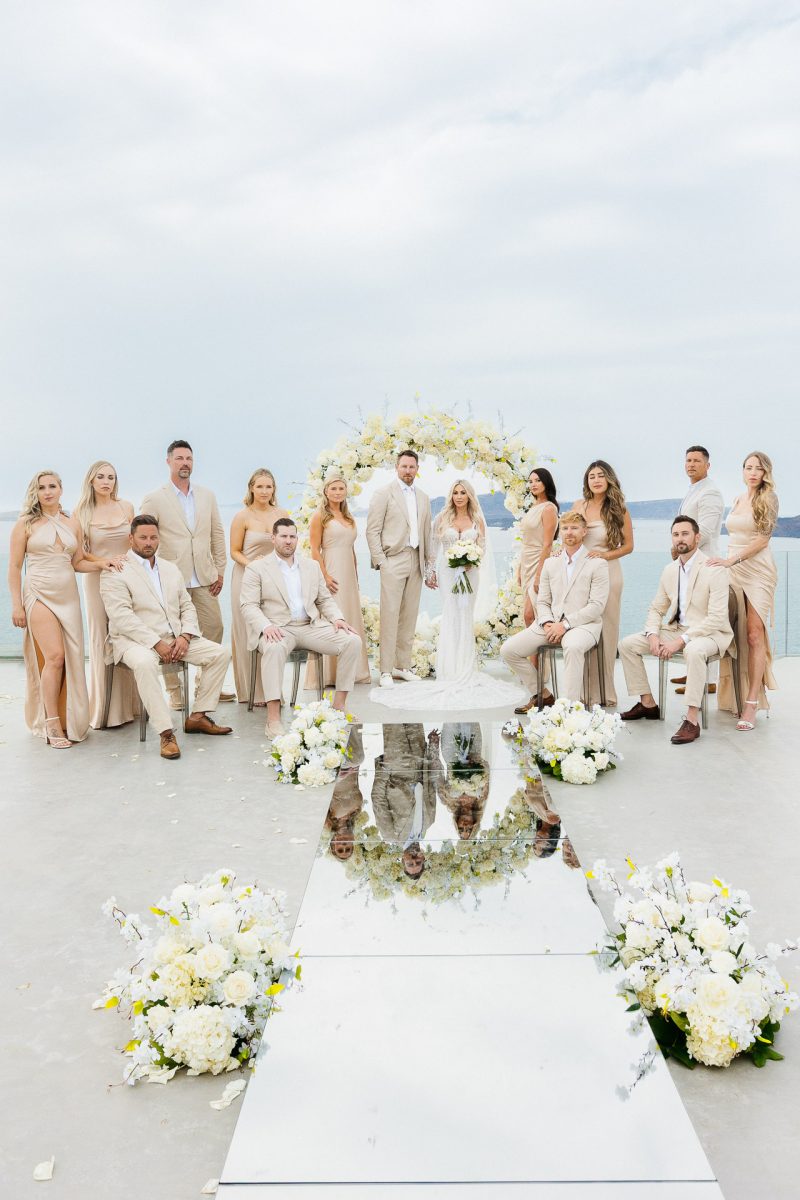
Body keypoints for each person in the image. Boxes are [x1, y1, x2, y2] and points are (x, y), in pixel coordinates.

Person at [369, 479, 525, 711]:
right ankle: (449, 669)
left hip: (470, 573)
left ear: (469, 496)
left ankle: (465, 668)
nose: (459, 496)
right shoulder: (442, 518)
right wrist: (430, 572)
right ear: (451, 495)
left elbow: (482, 546)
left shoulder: (477, 519)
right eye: (455, 493)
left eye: (463, 493)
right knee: (451, 614)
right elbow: (433, 547)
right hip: (448, 572)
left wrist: (473, 560)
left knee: (465, 616)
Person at [100, 515, 233, 760]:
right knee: (145, 663)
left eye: (153, 537)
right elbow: (121, 617)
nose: (148, 542)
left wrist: (185, 635)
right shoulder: (115, 571)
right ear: (131, 539)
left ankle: (198, 716)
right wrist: (156, 643)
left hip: (175, 638)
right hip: (134, 642)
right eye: (142, 537)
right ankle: (166, 733)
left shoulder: (170, 569)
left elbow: (187, 606)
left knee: (221, 653)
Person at [8, 470, 118, 747]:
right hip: (38, 593)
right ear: (35, 492)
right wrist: (17, 605)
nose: (47, 492)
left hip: (68, 597)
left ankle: (71, 719)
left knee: (72, 657)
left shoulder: (73, 523)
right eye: (42, 487)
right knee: (55, 657)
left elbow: (78, 562)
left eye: (52, 486)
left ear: (61, 489)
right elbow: (14, 567)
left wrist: (101, 563)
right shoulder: (24, 524)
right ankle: (52, 722)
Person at [239, 517, 362, 738]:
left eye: (292, 536)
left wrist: (337, 618)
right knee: (274, 648)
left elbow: (324, 599)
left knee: (352, 641)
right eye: (283, 536)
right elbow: (248, 605)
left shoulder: (311, 566)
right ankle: (273, 719)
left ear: (297, 539)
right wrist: (266, 626)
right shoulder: (256, 568)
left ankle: (339, 707)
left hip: (310, 626)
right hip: (278, 628)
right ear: (273, 538)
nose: (288, 541)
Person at [618, 515, 733, 745]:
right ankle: (648, 704)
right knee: (627, 645)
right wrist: (652, 634)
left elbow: (717, 618)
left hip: (710, 633)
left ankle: (691, 719)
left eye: (685, 534)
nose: (680, 539)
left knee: (693, 650)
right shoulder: (669, 570)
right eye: (676, 534)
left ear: (697, 537)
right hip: (676, 628)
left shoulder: (714, 569)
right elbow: (656, 608)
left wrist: (680, 641)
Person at [140, 440, 232, 704]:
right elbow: (145, 536)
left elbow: (217, 533)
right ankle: (175, 692)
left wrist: (220, 570)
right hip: (169, 578)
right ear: (168, 461)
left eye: (189, 458)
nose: (185, 463)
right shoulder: (154, 498)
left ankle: (206, 687)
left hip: (204, 576)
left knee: (214, 626)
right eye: (179, 458)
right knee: (169, 634)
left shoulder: (207, 496)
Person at [500, 511, 609, 706]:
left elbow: (596, 606)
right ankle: (542, 693)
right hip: (550, 624)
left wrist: (564, 625)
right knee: (509, 650)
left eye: (574, 528)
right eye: (565, 528)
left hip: (584, 625)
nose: (569, 532)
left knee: (573, 647)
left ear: (584, 531)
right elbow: (542, 601)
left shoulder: (598, 564)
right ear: (560, 533)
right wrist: (548, 623)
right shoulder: (550, 563)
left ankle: (569, 709)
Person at [710, 451, 779, 730]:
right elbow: (733, 537)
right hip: (733, 568)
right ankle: (733, 694)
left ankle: (751, 704)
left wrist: (731, 561)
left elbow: (763, 540)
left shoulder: (769, 498)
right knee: (733, 632)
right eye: (748, 468)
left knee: (753, 634)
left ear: (765, 473)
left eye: (758, 468)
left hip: (758, 571)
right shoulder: (738, 499)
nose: (752, 473)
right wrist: (723, 563)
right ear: (742, 471)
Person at [74, 460, 138, 729]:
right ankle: (104, 711)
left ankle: (132, 706)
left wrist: (128, 562)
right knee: (102, 637)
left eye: (111, 477)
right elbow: (81, 553)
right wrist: (104, 562)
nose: (106, 482)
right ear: (91, 480)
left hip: (127, 578)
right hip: (97, 579)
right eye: (100, 477)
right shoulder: (81, 512)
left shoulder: (127, 507)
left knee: (128, 634)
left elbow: (136, 541)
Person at [365, 449, 436, 688]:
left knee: (409, 615)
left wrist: (428, 566)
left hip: (416, 560)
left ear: (417, 469)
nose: (408, 470)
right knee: (390, 615)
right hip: (393, 559)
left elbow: (427, 532)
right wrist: (381, 562)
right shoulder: (383, 493)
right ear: (397, 467)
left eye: (412, 467)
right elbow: (372, 530)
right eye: (404, 466)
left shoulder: (424, 497)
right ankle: (385, 670)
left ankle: (402, 666)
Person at [568, 460, 633, 706]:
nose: (596, 480)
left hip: (609, 573)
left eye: (600, 475)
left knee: (607, 631)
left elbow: (628, 546)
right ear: (587, 481)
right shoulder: (578, 505)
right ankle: (582, 691)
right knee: (582, 627)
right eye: (591, 476)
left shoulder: (619, 509)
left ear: (609, 479)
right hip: (581, 575)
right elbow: (569, 535)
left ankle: (604, 693)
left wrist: (604, 555)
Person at [306, 468, 370, 689]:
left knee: (350, 614)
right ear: (326, 491)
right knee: (333, 617)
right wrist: (324, 576)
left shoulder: (349, 517)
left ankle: (353, 672)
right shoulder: (319, 516)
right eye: (333, 488)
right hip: (331, 570)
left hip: (348, 574)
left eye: (341, 488)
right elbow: (314, 549)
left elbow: (351, 549)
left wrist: (356, 575)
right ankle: (329, 674)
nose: (337, 492)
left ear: (345, 492)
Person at [229, 469, 289, 704]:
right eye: (260, 486)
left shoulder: (282, 514)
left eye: (269, 487)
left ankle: (271, 691)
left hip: (273, 581)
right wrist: (254, 566)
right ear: (251, 488)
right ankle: (250, 692)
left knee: (271, 631)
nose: (264, 491)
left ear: (274, 489)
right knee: (247, 630)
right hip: (245, 578)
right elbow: (234, 551)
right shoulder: (242, 516)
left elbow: (287, 545)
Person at [671, 446, 724, 695]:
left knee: (704, 618)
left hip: (705, 563)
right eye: (688, 460)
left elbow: (707, 530)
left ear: (707, 465)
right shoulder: (693, 489)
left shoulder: (710, 491)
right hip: (689, 563)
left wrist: (680, 548)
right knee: (690, 615)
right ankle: (694, 670)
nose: (691, 464)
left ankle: (707, 680)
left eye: (696, 461)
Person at [371, 725, 443, 878]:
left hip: (397, 765)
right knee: (411, 713)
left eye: (411, 863)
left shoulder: (390, 834)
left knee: (392, 718)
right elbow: (431, 784)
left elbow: (378, 799)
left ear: (403, 860)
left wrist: (384, 770)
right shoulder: (430, 821)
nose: (414, 859)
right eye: (418, 862)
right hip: (419, 758)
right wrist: (433, 747)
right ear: (423, 857)